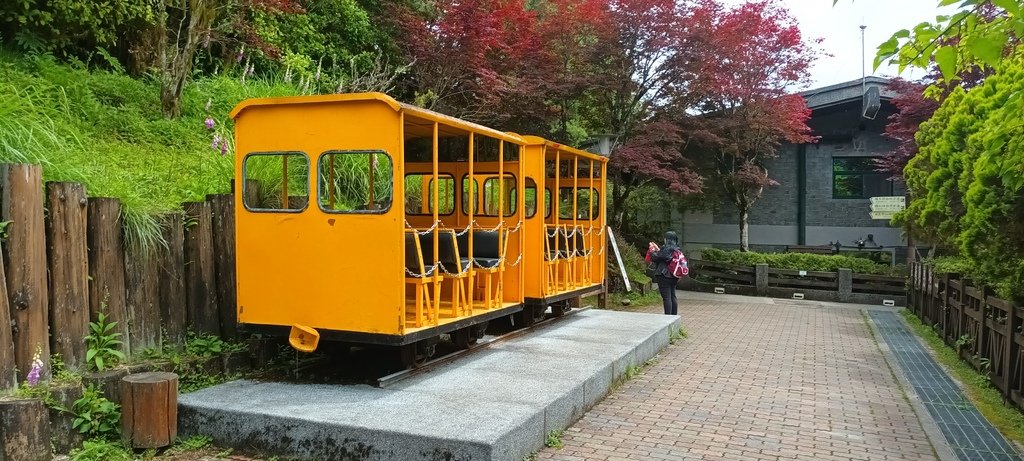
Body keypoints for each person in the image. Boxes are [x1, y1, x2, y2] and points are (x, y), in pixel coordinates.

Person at [646, 231, 681, 315]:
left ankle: (668, 318)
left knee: (666, 297)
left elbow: (656, 258)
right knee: (672, 296)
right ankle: (674, 317)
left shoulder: (666, 248)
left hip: (664, 275)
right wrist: (658, 249)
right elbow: (664, 257)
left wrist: (652, 251)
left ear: (667, 239)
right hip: (674, 275)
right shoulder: (677, 249)